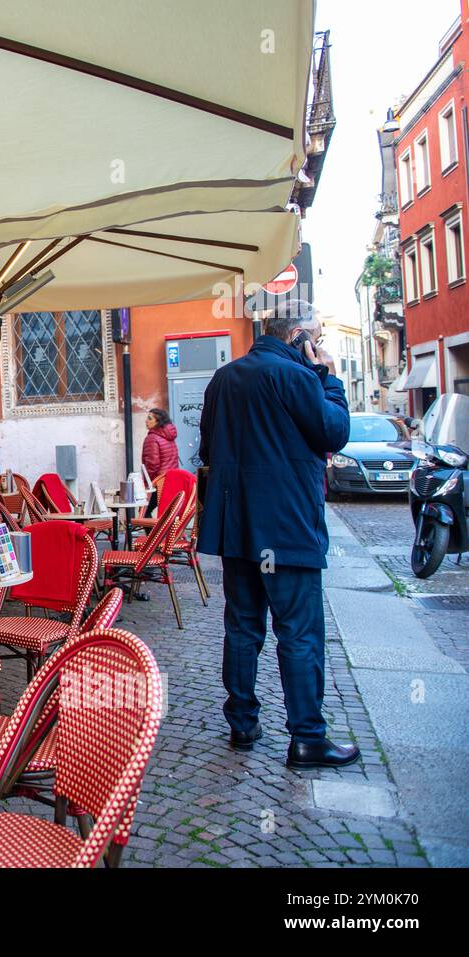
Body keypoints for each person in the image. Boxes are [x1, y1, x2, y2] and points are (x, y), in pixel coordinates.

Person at [197, 299, 355, 769]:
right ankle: (307, 737)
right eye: (318, 338)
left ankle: (242, 723)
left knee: (242, 626)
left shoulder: (223, 379)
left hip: (238, 529)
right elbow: (335, 432)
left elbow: (207, 447)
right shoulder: (300, 377)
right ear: (298, 337)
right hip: (287, 531)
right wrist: (328, 376)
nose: (320, 346)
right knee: (299, 633)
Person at [141, 407, 179, 516]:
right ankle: (168, 533)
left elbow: (152, 464)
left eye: (150, 418)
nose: (146, 421)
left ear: (158, 422)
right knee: (169, 513)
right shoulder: (169, 436)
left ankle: (153, 534)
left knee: (144, 512)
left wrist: (147, 483)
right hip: (172, 480)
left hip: (158, 482)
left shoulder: (152, 438)